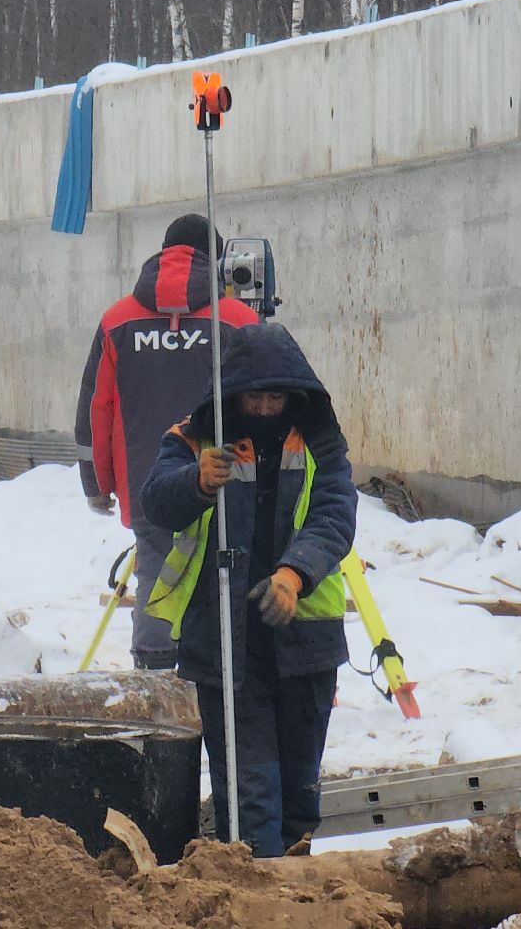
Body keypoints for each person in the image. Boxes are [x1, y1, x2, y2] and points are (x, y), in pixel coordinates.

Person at [140, 322, 354, 857]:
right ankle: (255, 883)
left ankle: (293, 877)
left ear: (294, 394)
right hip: (223, 639)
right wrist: (194, 482)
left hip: (303, 638)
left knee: (301, 786)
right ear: (232, 392)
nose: (263, 407)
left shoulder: (317, 439)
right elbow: (157, 502)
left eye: (275, 396)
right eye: (253, 396)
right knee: (249, 790)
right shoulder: (193, 439)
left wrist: (294, 574)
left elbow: (334, 512)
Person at [75, 214, 259, 669]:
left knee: (157, 577)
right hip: (226, 481)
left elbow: (96, 409)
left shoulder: (117, 320)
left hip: (144, 482)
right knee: (230, 577)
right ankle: (227, 672)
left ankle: (156, 678)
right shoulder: (237, 319)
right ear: (217, 264)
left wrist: (97, 483)